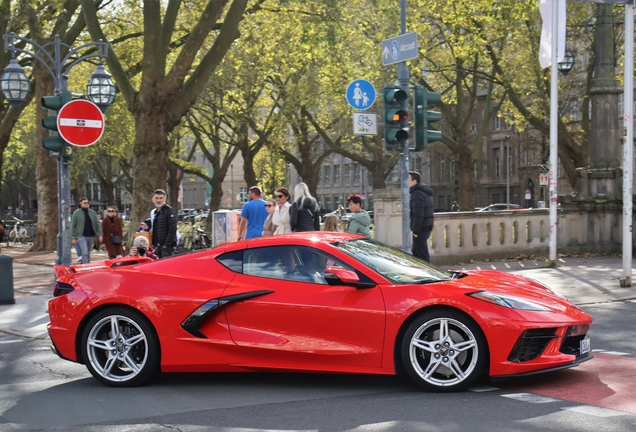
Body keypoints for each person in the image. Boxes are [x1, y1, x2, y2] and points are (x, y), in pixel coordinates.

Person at [409, 171, 434, 262]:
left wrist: (416, 231)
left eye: (408, 179)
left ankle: (431, 274)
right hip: (425, 228)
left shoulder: (417, 194)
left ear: (414, 181)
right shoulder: (423, 192)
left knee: (422, 256)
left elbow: (418, 214)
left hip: (421, 230)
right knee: (416, 255)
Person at [71, 197, 103, 264]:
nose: (86, 204)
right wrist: (73, 237)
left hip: (91, 235)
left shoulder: (92, 212)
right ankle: (85, 266)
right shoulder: (76, 213)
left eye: (87, 202)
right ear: (81, 204)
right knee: (84, 252)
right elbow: (73, 225)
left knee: (88, 253)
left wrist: (100, 234)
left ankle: (86, 265)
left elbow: (97, 224)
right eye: (85, 203)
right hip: (81, 235)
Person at [150, 189, 177, 258]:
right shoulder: (155, 212)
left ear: (165, 199)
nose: (158, 200)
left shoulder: (169, 211)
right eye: (156, 198)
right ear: (153, 200)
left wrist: (166, 244)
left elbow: (173, 229)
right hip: (157, 246)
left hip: (166, 247)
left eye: (161, 198)